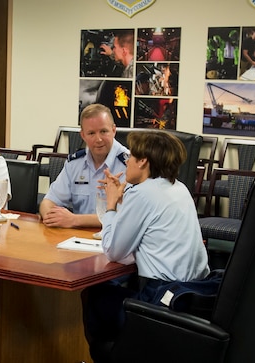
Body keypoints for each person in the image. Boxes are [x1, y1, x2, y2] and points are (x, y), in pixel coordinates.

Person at [81, 130, 210, 361]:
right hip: (187, 296)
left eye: (130, 157)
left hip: (160, 302)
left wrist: (111, 205)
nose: (127, 161)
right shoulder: (178, 188)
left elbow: (113, 251)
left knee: (95, 295)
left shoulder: (143, 194)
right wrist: (124, 201)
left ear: (143, 162)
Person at [39, 104, 129, 228]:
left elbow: (127, 216)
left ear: (113, 130)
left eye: (103, 131)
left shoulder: (130, 164)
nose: (98, 139)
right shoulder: (75, 163)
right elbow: (48, 201)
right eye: (91, 133)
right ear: (83, 135)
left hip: (116, 238)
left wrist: (74, 220)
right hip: (77, 237)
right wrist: (51, 217)